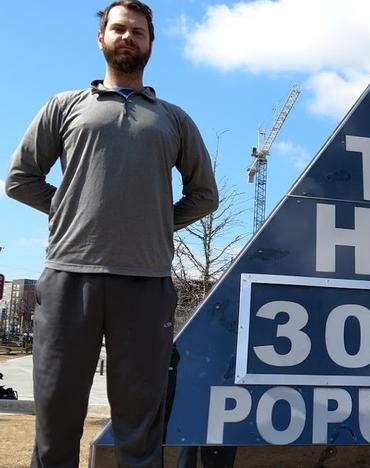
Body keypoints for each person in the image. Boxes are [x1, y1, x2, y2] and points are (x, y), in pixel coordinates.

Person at [5, 1, 218, 466]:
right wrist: (68, 210)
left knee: (140, 429)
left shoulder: (174, 119)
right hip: (68, 277)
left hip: (145, 285)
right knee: (56, 423)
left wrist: (157, 222)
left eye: (138, 31)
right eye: (118, 28)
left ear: (150, 45)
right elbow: (19, 179)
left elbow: (204, 195)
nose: (128, 37)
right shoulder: (64, 106)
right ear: (101, 39)